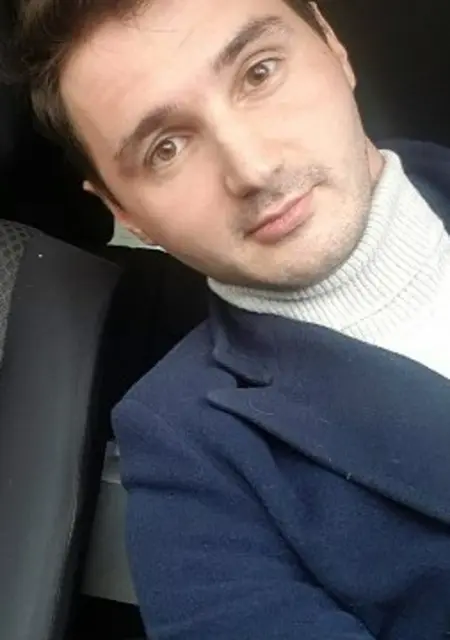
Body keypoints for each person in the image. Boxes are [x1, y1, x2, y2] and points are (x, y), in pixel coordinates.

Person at [16, 0, 450, 637]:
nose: (253, 168)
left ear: (333, 46)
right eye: (166, 149)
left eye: (259, 72)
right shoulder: (186, 450)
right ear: (123, 210)